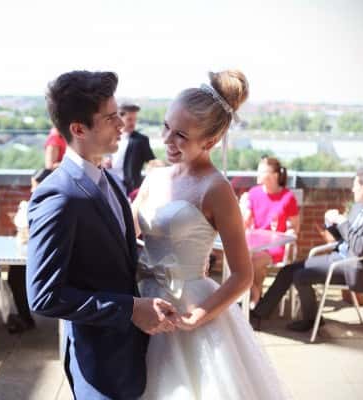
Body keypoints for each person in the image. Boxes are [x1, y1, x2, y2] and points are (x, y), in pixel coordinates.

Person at [132, 70, 289, 399]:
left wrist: (199, 317)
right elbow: (128, 235)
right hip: (140, 301)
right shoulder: (156, 177)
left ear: (211, 141)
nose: (166, 141)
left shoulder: (216, 189)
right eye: (166, 127)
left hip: (186, 308)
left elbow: (243, 274)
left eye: (181, 136)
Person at [26, 71, 176, 400]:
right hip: (98, 363)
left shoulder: (108, 179)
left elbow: (114, 257)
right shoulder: (59, 196)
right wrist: (131, 309)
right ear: (78, 129)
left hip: (130, 353)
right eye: (110, 118)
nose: (121, 124)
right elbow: (42, 296)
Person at [251, 170, 363, 332]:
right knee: (287, 270)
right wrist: (332, 224)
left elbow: (360, 248)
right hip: (338, 258)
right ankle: (259, 313)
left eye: (355, 186)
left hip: (353, 267)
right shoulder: (358, 207)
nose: (352, 190)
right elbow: (344, 238)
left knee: (300, 276)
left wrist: (343, 222)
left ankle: (311, 320)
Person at [240, 156, 300, 305]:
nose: (257, 175)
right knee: (240, 259)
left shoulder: (287, 197)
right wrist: (243, 208)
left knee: (253, 261)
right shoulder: (253, 193)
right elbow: (245, 224)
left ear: (274, 175)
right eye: (257, 171)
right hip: (255, 244)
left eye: (262, 171)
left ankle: (253, 299)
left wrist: (291, 232)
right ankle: (256, 294)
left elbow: (294, 227)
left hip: (275, 246)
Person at [107, 102, 159, 195]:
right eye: (129, 119)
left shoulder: (141, 140)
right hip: (110, 185)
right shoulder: (109, 136)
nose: (133, 123)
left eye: (135, 120)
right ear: (120, 118)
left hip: (131, 189)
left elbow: (152, 161)